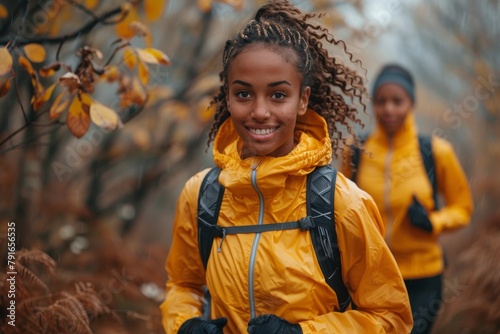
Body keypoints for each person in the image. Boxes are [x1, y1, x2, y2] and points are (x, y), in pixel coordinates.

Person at [160, 1, 413, 333]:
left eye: (278, 95)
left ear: (303, 99)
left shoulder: (341, 204)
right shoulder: (201, 196)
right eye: (243, 94)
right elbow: (182, 284)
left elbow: (391, 316)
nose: (260, 112)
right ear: (228, 97)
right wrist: (185, 325)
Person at [342, 64, 474, 334]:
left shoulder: (435, 152)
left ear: (411, 103)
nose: (388, 109)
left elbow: (463, 208)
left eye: (397, 101)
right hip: (371, 276)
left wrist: (432, 222)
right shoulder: (356, 150)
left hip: (423, 276)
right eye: (381, 101)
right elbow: (342, 207)